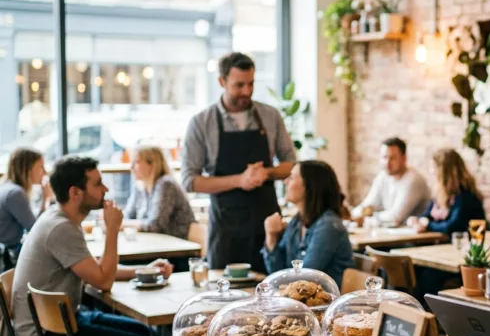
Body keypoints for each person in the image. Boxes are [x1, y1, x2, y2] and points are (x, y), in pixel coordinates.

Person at [10, 156, 171, 336]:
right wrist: (112, 231)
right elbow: (103, 281)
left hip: (57, 324)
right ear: (75, 193)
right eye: (97, 183)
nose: (106, 188)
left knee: (143, 333)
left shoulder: (56, 219)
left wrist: (144, 270)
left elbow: (95, 271)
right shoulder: (62, 228)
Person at [180, 53, 296, 272]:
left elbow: (291, 164)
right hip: (226, 230)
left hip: (268, 226)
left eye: (251, 84)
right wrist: (240, 180)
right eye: (239, 85)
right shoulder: (201, 123)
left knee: (273, 295)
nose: (247, 91)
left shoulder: (270, 116)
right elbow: (190, 180)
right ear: (221, 82)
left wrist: (267, 173)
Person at [263, 160, 355, 285]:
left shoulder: (328, 226)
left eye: (292, 177)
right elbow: (276, 272)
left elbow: (304, 279)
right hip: (302, 300)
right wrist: (271, 236)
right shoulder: (296, 222)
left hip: (327, 301)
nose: (285, 181)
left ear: (309, 186)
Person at [123, 145, 197, 240]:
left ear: (152, 164)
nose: (132, 167)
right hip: (153, 244)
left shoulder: (166, 184)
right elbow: (128, 216)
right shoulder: (140, 187)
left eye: (136, 162)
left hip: (176, 247)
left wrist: (124, 224)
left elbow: (156, 225)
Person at [351, 137, 430, 226]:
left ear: (404, 159)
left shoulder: (414, 180)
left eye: (392, 158)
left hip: (417, 237)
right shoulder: (382, 177)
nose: (387, 163)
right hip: (393, 234)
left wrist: (368, 218)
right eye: (384, 157)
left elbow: (396, 216)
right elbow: (368, 205)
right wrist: (352, 214)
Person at [412, 148, 486, 235]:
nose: (431, 171)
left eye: (433, 167)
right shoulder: (440, 193)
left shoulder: (465, 194)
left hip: (464, 244)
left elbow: (453, 226)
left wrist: (428, 225)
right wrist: (417, 221)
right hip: (441, 242)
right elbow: (427, 215)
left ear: (444, 172)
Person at [0, 148, 53, 265]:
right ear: (28, 168)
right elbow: (36, 229)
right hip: (8, 257)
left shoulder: (8, 188)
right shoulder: (15, 193)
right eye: (41, 167)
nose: (44, 172)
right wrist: (46, 198)